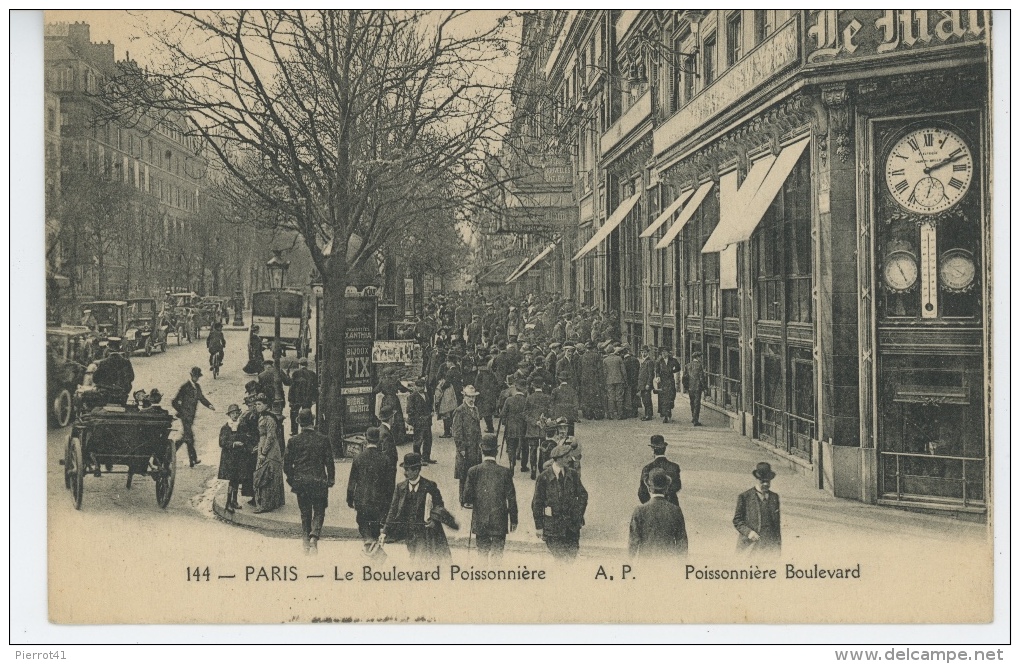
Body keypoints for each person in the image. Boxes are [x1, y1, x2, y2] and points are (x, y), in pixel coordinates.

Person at [284, 409, 335, 554]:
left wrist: (292, 480)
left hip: (301, 482)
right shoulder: (323, 439)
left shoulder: (293, 441)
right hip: (319, 481)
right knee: (319, 510)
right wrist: (330, 479)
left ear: (299, 424)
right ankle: (314, 536)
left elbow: (286, 465)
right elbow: (329, 462)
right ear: (313, 422)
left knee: (305, 512)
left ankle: (306, 540)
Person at [461, 434, 518, 562]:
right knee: (497, 557)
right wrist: (514, 520)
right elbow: (512, 499)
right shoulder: (505, 472)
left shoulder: (473, 471)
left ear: (481, 449)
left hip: (480, 520)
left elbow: (466, 498)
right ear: (497, 451)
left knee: (482, 556)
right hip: (499, 520)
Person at [379, 453, 445, 561]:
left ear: (417, 470)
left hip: (423, 533)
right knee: (413, 555)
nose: (405, 473)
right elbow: (393, 510)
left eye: (408, 470)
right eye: (405, 469)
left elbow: (439, 506)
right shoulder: (400, 487)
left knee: (419, 558)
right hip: (408, 533)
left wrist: (434, 520)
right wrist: (385, 532)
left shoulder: (429, 486)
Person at [531, 443, 588, 562]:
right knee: (561, 558)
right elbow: (537, 502)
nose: (570, 460)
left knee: (571, 557)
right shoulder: (544, 477)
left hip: (571, 527)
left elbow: (583, 495)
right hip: (553, 528)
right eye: (567, 457)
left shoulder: (572, 474)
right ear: (559, 459)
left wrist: (578, 514)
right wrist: (539, 526)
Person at [347, 427, 394, 552]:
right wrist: (389, 502)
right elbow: (389, 484)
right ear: (379, 440)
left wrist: (349, 498)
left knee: (361, 521)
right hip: (379, 500)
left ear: (366, 439)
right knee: (375, 525)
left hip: (362, 498)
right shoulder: (385, 459)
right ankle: (373, 547)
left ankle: (369, 541)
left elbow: (352, 481)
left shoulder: (358, 458)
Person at [629, 468, 689, 559]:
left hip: (645, 565)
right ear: (666, 488)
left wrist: (630, 565)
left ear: (649, 487)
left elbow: (633, 543)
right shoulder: (676, 510)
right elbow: (682, 543)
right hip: (668, 565)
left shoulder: (639, 510)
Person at [733, 462, 782, 556]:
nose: (765, 484)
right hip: (749, 545)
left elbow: (776, 526)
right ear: (757, 479)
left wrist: (778, 548)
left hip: (769, 545)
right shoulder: (745, 497)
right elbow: (737, 520)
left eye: (768, 481)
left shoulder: (774, 497)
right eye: (762, 481)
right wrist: (749, 533)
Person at [171, 367, 215, 467]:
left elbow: (201, 398)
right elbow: (174, 401)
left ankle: (191, 459)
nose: (196, 378)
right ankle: (172, 454)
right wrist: (181, 411)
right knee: (188, 437)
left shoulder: (197, 387)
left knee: (188, 437)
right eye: (195, 376)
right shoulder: (185, 387)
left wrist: (209, 405)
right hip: (185, 417)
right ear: (191, 375)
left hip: (191, 417)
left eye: (198, 377)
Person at [253, 394, 286, 513]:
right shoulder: (262, 416)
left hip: (270, 450)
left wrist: (263, 453)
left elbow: (270, 437)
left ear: (266, 405)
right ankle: (270, 502)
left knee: (266, 474)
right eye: (256, 404)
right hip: (263, 445)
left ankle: (266, 504)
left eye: (260, 404)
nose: (257, 406)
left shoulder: (269, 418)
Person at [453, 385, 483, 505]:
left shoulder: (475, 409)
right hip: (465, 449)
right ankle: (464, 500)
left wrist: (481, 444)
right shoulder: (460, 410)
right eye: (469, 397)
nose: (471, 399)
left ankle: (472, 498)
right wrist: (461, 449)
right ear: (464, 397)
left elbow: (478, 429)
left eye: (473, 397)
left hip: (475, 448)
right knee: (464, 475)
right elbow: (457, 432)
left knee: (474, 474)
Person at [218, 404, 247, 513]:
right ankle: (228, 503)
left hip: (239, 457)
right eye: (232, 413)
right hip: (229, 458)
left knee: (237, 479)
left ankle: (234, 500)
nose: (234, 415)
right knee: (232, 480)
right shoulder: (225, 427)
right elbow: (222, 442)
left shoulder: (241, 425)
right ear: (229, 415)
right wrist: (234, 444)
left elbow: (245, 437)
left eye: (236, 413)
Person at [638, 435, 682, 506]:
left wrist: (651, 504)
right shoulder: (674, 467)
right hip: (672, 505)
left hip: (653, 505)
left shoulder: (647, 468)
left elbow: (642, 493)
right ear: (665, 449)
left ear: (653, 450)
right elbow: (677, 486)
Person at [524, 375, 554, 479]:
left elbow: (525, 414)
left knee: (532, 449)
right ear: (543, 385)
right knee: (543, 449)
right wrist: (546, 420)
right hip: (543, 429)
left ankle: (533, 468)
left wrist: (534, 421)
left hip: (532, 428)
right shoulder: (547, 397)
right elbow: (551, 412)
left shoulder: (529, 398)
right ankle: (542, 469)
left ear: (533, 385)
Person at [91, 337, 134, 404]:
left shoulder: (103, 363)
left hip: (106, 395)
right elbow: (131, 377)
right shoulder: (126, 362)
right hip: (121, 395)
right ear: (119, 348)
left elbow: (95, 379)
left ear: (108, 348)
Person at [499, 378, 528, 475]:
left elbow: (503, 414)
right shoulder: (526, 401)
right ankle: (523, 466)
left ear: (516, 388)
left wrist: (505, 421)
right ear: (525, 389)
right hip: (523, 427)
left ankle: (512, 463)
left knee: (511, 446)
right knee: (524, 446)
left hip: (510, 427)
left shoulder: (509, 400)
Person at [406, 378, 435, 464]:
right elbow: (409, 410)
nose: (421, 388)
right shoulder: (412, 397)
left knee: (428, 440)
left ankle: (426, 458)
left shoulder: (426, 394)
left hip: (427, 422)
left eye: (422, 386)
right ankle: (417, 459)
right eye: (419, 386)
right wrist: (418, 419)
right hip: (418, 422)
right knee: (418, 441)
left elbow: (429, 405)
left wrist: (431, 411)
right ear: (416, 387)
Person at [287, 357, 318, 436]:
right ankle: (307, 429)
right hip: (307, 399)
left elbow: (292, 388)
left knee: (294, 414)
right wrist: (314, 399)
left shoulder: (295, 373)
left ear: (299, 365)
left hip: (296, 399)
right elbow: (315, 388)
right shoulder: (312, 374)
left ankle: (294, 431)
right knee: (307, 413)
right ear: (307, 365)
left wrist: (290, 399)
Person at [654, 347, 682, 424]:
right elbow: (657, 370)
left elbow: (678, 368)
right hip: (662, 382)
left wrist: (672, 371)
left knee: (670, 397)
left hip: (670, 381)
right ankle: (665, 415)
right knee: (663, 398)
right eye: (662, 353)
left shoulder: (673, 360)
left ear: (668, 353)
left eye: (664, 352)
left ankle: (668, 413)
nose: (663, 354)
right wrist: (658, 376)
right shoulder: (659, 361)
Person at [683, 351, 708, 426]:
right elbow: (701, 378)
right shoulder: (699, 366)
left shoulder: (687, 365)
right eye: (700, 357)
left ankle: (693, 417)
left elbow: (684, 377)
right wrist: (705, 387)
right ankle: (695, 420)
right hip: (697, 388)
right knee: (697, 404)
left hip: (690, 388)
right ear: (697, 357)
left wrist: (686, 386)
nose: (701, 358)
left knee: (692, 403)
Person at [603, 345, 626, 420]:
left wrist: (605, 381)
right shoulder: (619, 358)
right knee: (619, 397)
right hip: (619, 380)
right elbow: (623, 371)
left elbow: (604, 372)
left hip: (609, 381)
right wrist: (625, 380)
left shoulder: (605, 360)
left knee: (610, 397)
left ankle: (611, 414)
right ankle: (620, 414)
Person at [637, 346, 655, 421]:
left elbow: (651, 374)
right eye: (642, 352)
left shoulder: (649, 362)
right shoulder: (643, 361)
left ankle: (648, 415)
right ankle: (647, 414)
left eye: (645, 352)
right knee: (644, 400)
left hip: (646, 384)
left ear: (648, 352)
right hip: (642, 384)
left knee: (647, 400)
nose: (643, 353)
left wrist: (648, 384)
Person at [622, 346, 640, 419]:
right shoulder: (635, 359)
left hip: (628, 381)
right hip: (635, 380)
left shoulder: (624, 361)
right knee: (635, 395)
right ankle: (635, 412)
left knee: (627, 396)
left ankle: (628, 412)